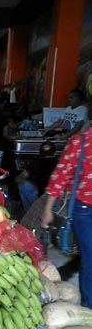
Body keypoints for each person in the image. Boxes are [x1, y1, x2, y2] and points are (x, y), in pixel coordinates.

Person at [41, 117, 92, 309]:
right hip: (84, 210)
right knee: (90, 259)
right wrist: (47, 210)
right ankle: (89, 307)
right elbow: (59, 178)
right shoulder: (80, 141)